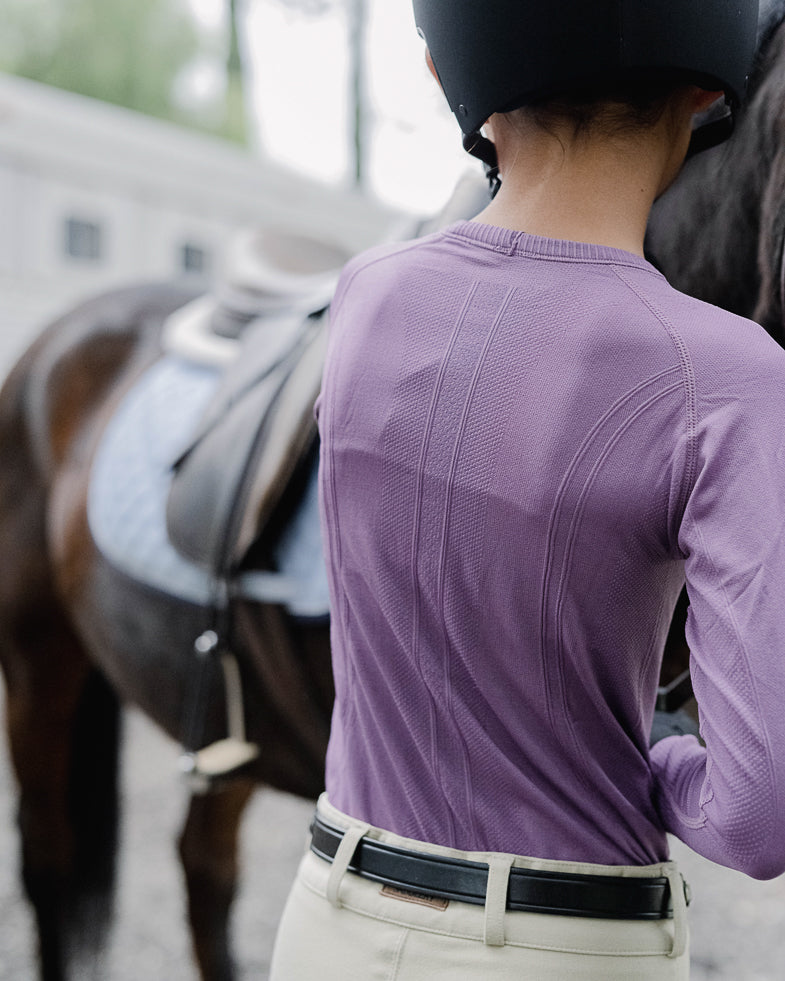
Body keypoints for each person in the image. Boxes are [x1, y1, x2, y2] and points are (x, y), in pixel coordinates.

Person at [270, 1, 785, 978]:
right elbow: (759, 820)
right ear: (710, 91)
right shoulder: (730, 379)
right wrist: (659, 753)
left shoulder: (367, 294)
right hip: (566, 943)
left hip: (327, 915)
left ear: (448, 81)